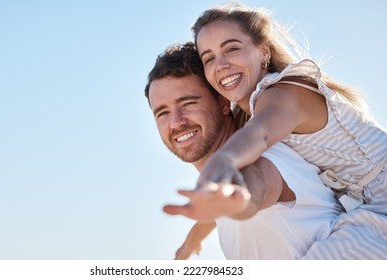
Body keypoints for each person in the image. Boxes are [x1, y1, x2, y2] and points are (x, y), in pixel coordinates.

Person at [186, 2, 387, 259]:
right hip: (369, 210)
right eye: (209, 58)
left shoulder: (282, 93)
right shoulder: (251, 113)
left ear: (263, 51)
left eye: (231, 48)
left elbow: (260, 133)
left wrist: (223, 161)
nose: (220, 64)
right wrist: (194, 237)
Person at [144, 42, 341, 259]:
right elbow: (216, 208)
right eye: (162, 113)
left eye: (188, 104)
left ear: (223, 103)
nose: (176, 122)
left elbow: (257, 184)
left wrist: (236, 199)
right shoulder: (217, 194)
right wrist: (190, 243)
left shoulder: (266, 159)